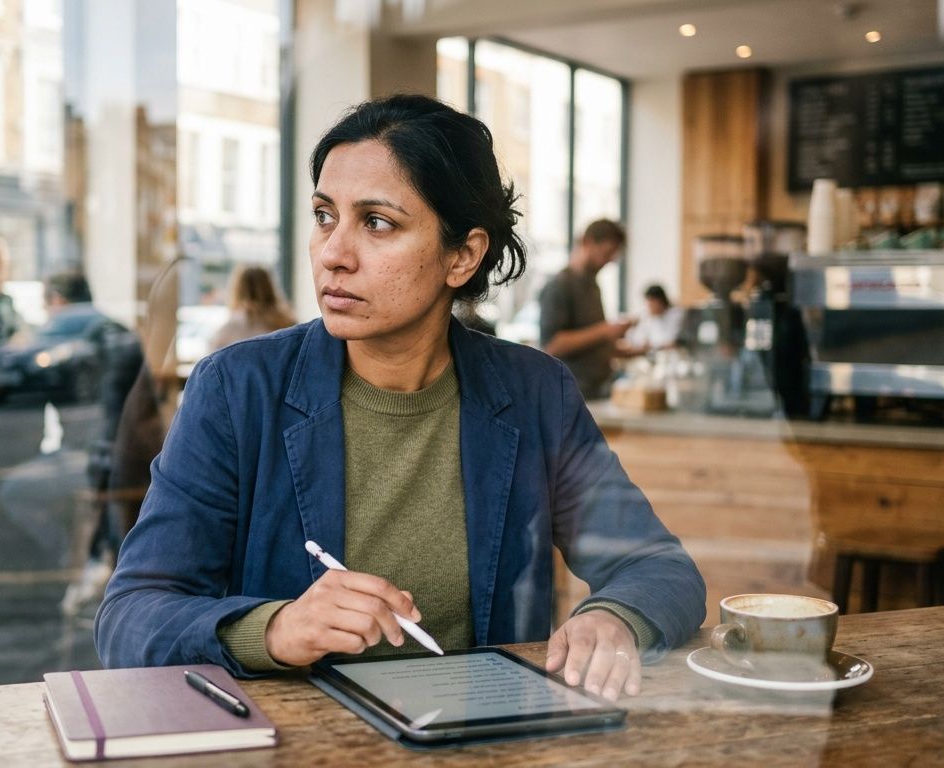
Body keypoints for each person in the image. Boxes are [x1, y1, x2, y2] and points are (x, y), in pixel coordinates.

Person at [96, 94, 704, 701]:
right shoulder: (238, 389)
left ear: (462, 255)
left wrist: (616, 617)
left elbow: (658, 568)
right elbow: (130, 617)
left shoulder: (532, 392)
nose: (334, 253)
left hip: (485, 743)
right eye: (325, 215)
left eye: (378, 222)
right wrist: (274, 629)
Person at [539, 219, 635, 400]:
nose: (609, 261)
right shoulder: (560, 285)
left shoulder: (593, 285)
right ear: (587, 242)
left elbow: (592, 343)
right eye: (606, 253)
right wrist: (606, 330)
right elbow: (553, 345)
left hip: (599, 388)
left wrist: (634, 350)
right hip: (573, 393)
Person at [208, 265, 295, 351]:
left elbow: (212, 355)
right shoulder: (287, 322)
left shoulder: (232, 327)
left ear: (237, 289)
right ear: (270, 288)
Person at [620, 284, 684, 355]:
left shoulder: (676, 315)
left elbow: (673, 343)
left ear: (660, 301)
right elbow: (638, 340)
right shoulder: (649, 317)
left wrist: (651, 346)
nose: (648, 307)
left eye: (651, 303)